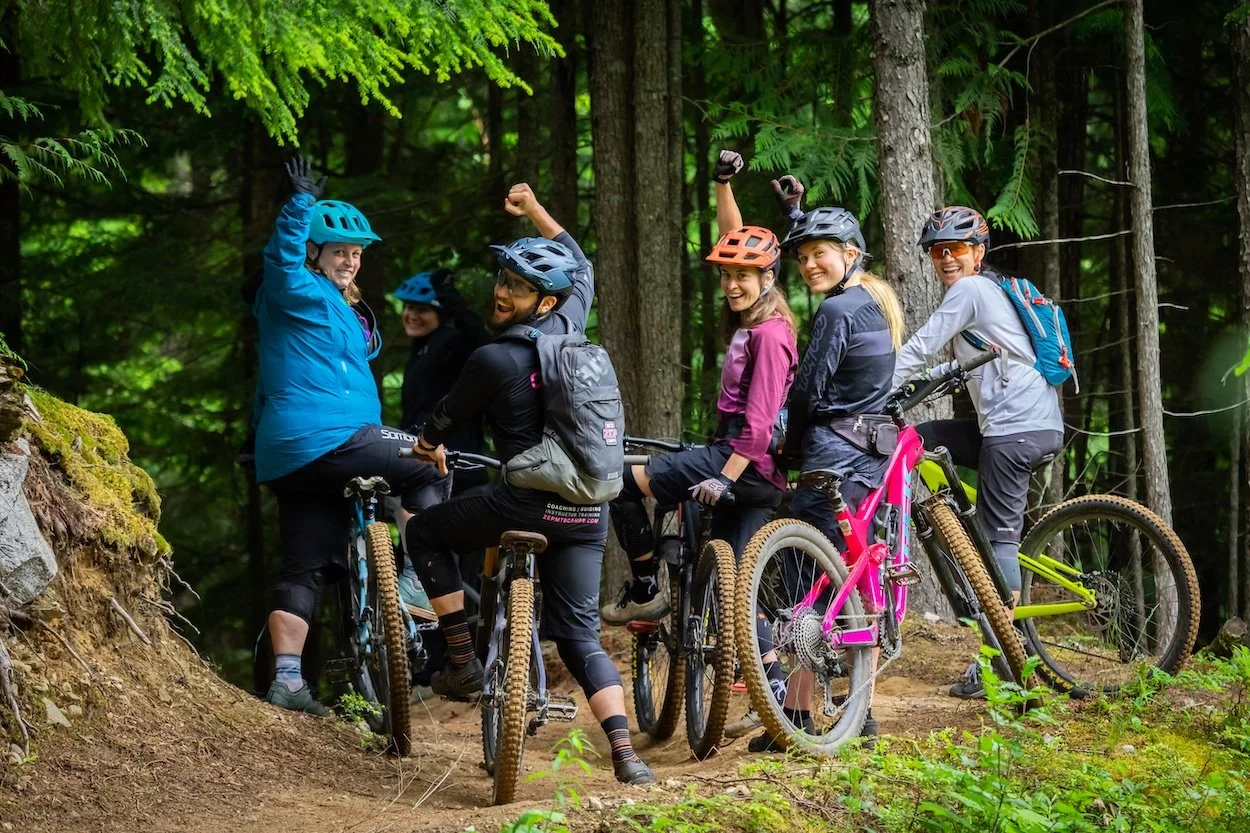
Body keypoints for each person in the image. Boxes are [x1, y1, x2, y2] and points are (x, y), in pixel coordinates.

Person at [404, 183, 655, 785]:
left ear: (542, 300)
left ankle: (461, 658)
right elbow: (582, 262)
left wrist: (427, 445)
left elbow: (444, 415)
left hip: (521, 503)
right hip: (587, 515)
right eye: (501, 278)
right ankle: (625, 754)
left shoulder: (494, 360)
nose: (500, 291)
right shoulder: (570, 319)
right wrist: (534, 211)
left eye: (515, 285)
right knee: (579, 636)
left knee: (427, 534)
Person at [252, 156, 447, 715]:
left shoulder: (339, 305)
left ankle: (287, 680)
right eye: (339, 250)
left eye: (357, 252)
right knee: (428, 461)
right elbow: (281, 260)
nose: (351, 259)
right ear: (314, 252)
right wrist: (298, 208)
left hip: (297, 453)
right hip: (329, 436)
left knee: (305, 564)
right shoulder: (295, 289)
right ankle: (414, 579)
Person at [730, 174, 907, 750]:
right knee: (847, 583)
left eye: (819, 256)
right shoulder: (874, 304)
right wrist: (796, 212)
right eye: (802, 257)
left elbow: (807, 390)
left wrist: (786, 445)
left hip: (829, 460)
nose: (808, 266)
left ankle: (803, 718)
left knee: (809, 590)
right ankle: (859, 712)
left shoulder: (836, 312)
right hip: (867, 461)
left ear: (850, 255)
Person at [602, 149, 799, 625]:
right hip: (752, 470)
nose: (732, 285)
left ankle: (647, 585)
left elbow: (756, 427)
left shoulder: (771, 336)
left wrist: (723, 476)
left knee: (620, 485)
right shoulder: (756, 321)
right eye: (727, 276)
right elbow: (733, 240)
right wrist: (722, 184)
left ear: (768, 277)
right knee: (736, 597)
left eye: (743, 277)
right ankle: (768, 679)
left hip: (743, 463)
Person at [891, 205, 1063, 699]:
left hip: (1017, 430)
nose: (947, 258)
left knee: (996, 542)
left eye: (957, 249)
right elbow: (942, 365)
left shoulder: (970, 290)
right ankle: (950, 521)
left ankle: (1006, 663)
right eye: (938, 251)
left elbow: (922, 348)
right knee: (917, 441)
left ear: (978, 253)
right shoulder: (982, 295)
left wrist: (873, 390)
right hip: (1012, 428)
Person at [392, 269, 491, 625]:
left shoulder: (452, 343)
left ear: (441, 314)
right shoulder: (423, 349)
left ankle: (465, 645)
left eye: (423, 309)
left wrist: (449, 295)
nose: (412, 315)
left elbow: (480, 341)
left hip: (456, 469)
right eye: (408, 307)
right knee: (436, 564)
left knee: (437, 563)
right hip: (427, 465)